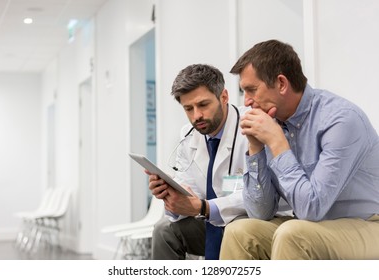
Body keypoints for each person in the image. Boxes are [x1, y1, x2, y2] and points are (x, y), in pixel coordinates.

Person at [219, 39, 379, 260]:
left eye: (251, 90)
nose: (246, 102)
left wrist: (277, 144)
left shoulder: (340, 120)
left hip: (369, 225)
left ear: (282, 84)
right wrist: (255, 148)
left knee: (293, 234)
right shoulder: (273, 123)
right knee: (239, 232)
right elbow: (260, 212)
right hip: (314, 226)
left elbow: (312, 209)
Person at [147, 64, 249, 260]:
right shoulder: (188, 134)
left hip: (246, 222)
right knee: (164, 230)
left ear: (224, 97)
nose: (196, 116)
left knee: (238, 229)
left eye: (203, 105)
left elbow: (257, 195)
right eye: (188, 108)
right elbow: (190, 189)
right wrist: (172, 196)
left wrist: (204, 207)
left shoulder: (249, 125)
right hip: (209, 223)